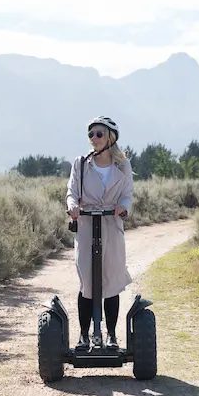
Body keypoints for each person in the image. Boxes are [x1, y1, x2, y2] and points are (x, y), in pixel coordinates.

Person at [65, 115, 134, 351]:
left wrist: (124, 206)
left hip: (111, 225)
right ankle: (84, 336)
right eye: (91, 134)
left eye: (99, 134)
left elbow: (127, 193)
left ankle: (112, 336)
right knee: (87, 282)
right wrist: (73, 205)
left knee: (111, 281)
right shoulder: (81, 163)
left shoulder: (122, 165)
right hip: (85, 224)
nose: (94, 138)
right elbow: (71, 191)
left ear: (110, 138)